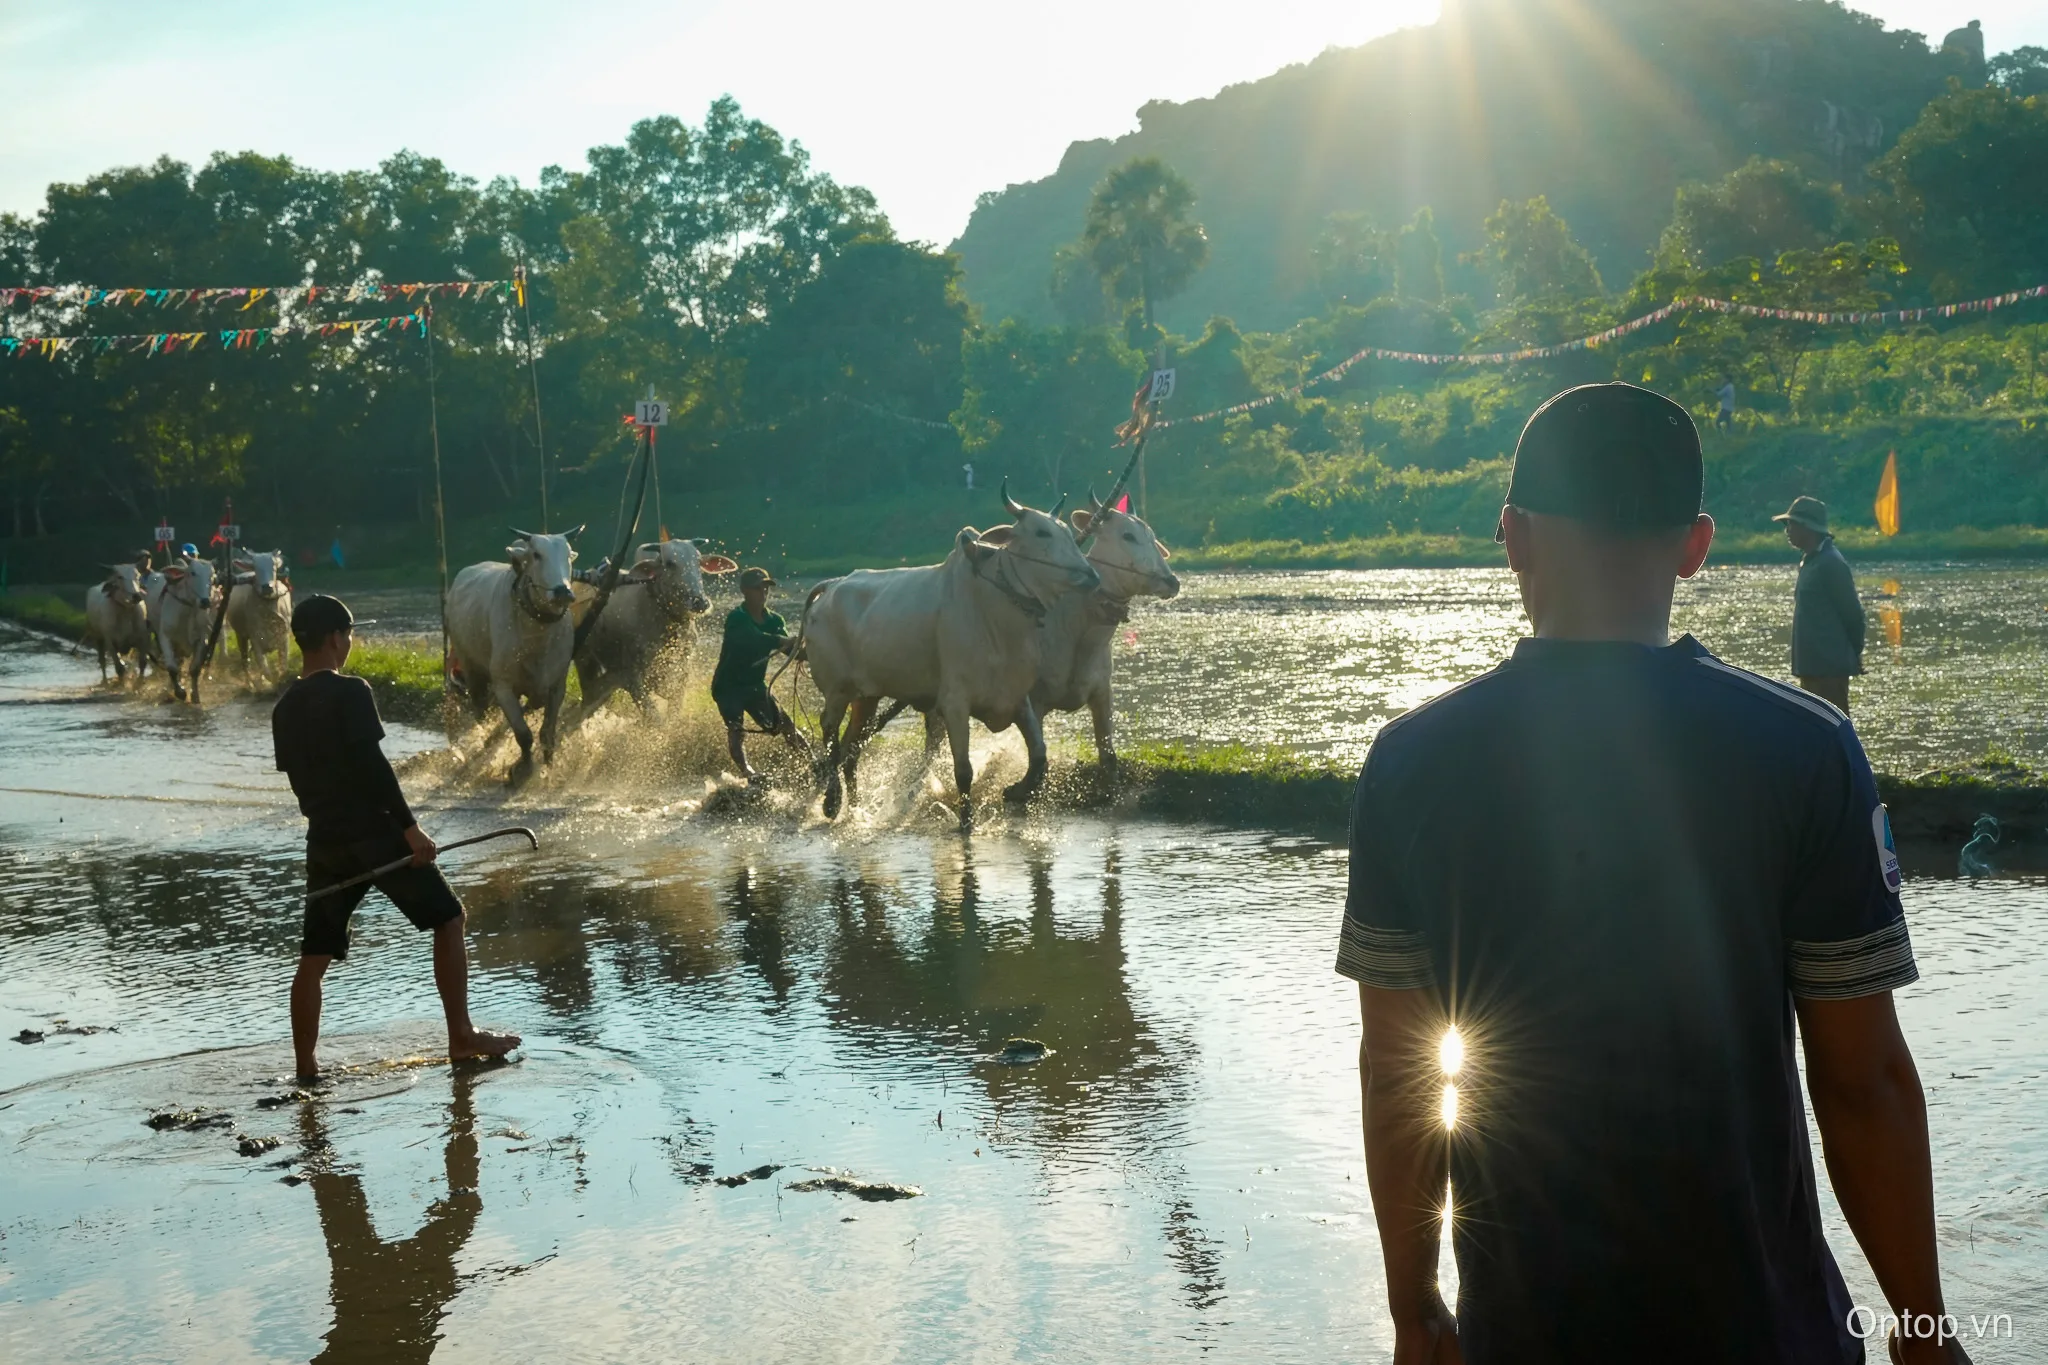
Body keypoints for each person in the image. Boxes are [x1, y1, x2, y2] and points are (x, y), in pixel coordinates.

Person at [1339, 383, 1966, 1365]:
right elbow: (1862, 1079)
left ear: (1511, 536)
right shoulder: (1801, 749)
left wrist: (1414, 1311)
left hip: (1527, 1331)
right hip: (1766, 1331)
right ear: (1694, 545)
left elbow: (1396, 1074)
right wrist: (1920, 1332)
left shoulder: (1413, 761)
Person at [272, 594, 518, 1080]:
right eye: (349, 634)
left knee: (314, 958)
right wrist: (410, 830)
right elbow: (374, 769)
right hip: (375, 834)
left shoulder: (284, 708)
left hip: (324, 841)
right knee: (450, 918)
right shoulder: (351, 692)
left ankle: (305, 1067)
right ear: (335, 637)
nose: (348, 643)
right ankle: (461, 1037)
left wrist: (330, 829)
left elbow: (301, 781)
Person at [710, 566, 804, 783]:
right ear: (744, 591)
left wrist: (806, 650)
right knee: (736, 730)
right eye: (757, 588)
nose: (763, 593)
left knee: (787, 727)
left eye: (765, 588)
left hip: (755, 686)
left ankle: (811, 763)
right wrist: (781, 641)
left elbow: (788, 649)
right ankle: (748, 772)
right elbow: (753, 638)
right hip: (728, 687)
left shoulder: (776, 620)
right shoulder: (737, 617)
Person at [1776, 494, 1866, 712]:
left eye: (1791, 524)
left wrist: (1851, 654)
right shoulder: (1811, 560)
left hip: (1828, 670)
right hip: (1812, 668)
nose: (1787, 530)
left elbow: (1854, 616)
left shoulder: (1831, 563)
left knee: (1833, 731)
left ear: (1808, 528)